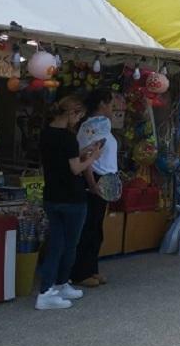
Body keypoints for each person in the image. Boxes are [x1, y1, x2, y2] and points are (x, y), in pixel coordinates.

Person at [36, 94, 102, 310]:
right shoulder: (67, 137)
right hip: (72, 197)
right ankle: (47, 291)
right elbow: (75, 168)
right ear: (73, 112)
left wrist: (81, 152)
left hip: (52, 195)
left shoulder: (46, 134)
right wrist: (92, 157)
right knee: (66, 245)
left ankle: (60, 284)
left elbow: (62, 160)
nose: (79, 121)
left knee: (57, 242)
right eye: (79, 116)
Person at [71, 88, 119, 289]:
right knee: (90, 227)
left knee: (95, 226)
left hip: (104, 178)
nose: (112, 108)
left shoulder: (98, 126)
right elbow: (87, 157)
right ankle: (81, 272)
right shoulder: (97, 126)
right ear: (102, 104)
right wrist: (92, 184)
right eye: (110, 104)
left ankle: (91, 269)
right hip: (96, 179)